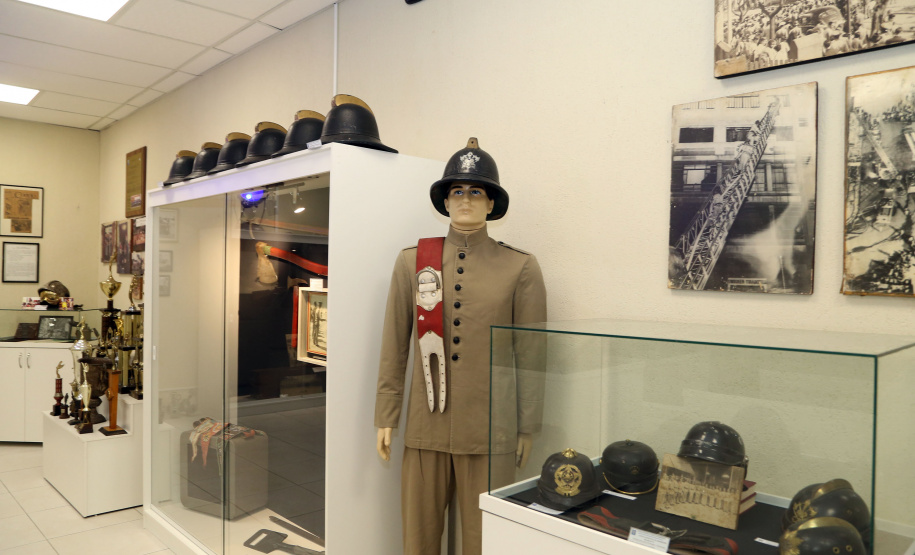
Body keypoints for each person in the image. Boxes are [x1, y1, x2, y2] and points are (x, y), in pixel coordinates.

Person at [374, 138, 547, 555]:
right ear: (445, 202)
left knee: (485, 540)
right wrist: (387, 415)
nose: (465, 200)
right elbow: (395, 345)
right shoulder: (412, 261)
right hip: (425, 424)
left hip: (490, 426)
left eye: (476, 191)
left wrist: (527, 425)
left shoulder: (520, 267)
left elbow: (532, 353)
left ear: (491, 204)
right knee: (418, 538)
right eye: (456, 191)